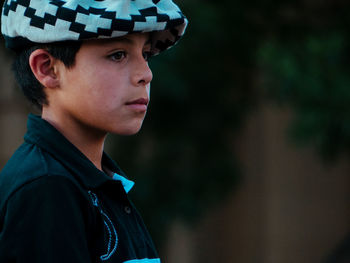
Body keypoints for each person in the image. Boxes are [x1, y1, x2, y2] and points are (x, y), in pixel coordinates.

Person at [0, 0, 187, 262]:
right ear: (47, 68)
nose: (146, 74)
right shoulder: (47, 188)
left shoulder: (98, 182)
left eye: (144, 54)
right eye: (118, 55)